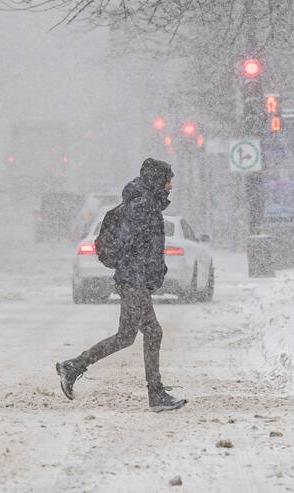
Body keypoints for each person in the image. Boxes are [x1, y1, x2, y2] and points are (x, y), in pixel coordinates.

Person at [56, 158, 188, 413]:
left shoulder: (144, 203)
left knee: (138, 334)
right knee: (139, 334)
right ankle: (154, 393)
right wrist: (140, 270)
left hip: (134, 279)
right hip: (133, 280)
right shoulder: (143, 206)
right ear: (157, 180)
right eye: (168, 180)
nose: (171, 186)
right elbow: (132, 244)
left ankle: (75, 367)